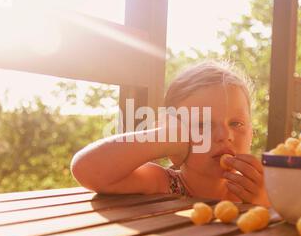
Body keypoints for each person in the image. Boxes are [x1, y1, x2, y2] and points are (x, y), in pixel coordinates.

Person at [71, 61, 270, 207]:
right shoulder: (164, 183)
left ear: (252, 133)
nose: (225, 135)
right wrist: (161, 138)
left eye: (236, 123)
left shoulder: (263, 188)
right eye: (202, 124)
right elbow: (86, 169)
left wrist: (263, 202)